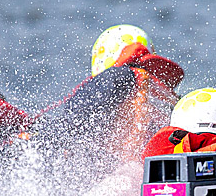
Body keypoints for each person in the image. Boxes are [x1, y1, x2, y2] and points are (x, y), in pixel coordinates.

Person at [30, 24, 184, 163]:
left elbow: (70, 122)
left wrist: (39, 130)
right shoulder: (162, 93)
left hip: (119, 172)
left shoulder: (116, 78)